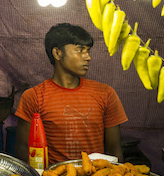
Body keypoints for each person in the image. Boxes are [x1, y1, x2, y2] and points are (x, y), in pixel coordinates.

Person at [15, 23, 128, 165]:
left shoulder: (105, 93)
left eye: (88, 51)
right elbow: (23, 148)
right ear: (57, 53)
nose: (88, 57)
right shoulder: (34, 96)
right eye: (80, 50)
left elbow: (115, 150)